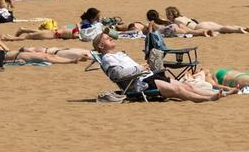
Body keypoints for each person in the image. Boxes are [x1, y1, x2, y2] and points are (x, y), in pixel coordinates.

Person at [92, 33, 227, 102]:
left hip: (147, 76)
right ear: (101, 46)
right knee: (178, 89)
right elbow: (117, 75)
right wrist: (139, 68)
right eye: (107, 38)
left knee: (187, 86)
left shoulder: (119, 54)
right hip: (140, 83)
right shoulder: (107, 59)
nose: (111, 38)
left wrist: (143, 68)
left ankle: (216, 94)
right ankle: (208, 99)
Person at [164, 6, 249, 34]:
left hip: (199, 27)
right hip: (203, 23)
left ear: (173, 14)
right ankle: (244, 28)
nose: (168, 16)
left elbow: (185, 30)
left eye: (169, 14)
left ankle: (238, 30)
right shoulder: (183, 17)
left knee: (221, 29)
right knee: (222, 27)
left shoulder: (176, 21)